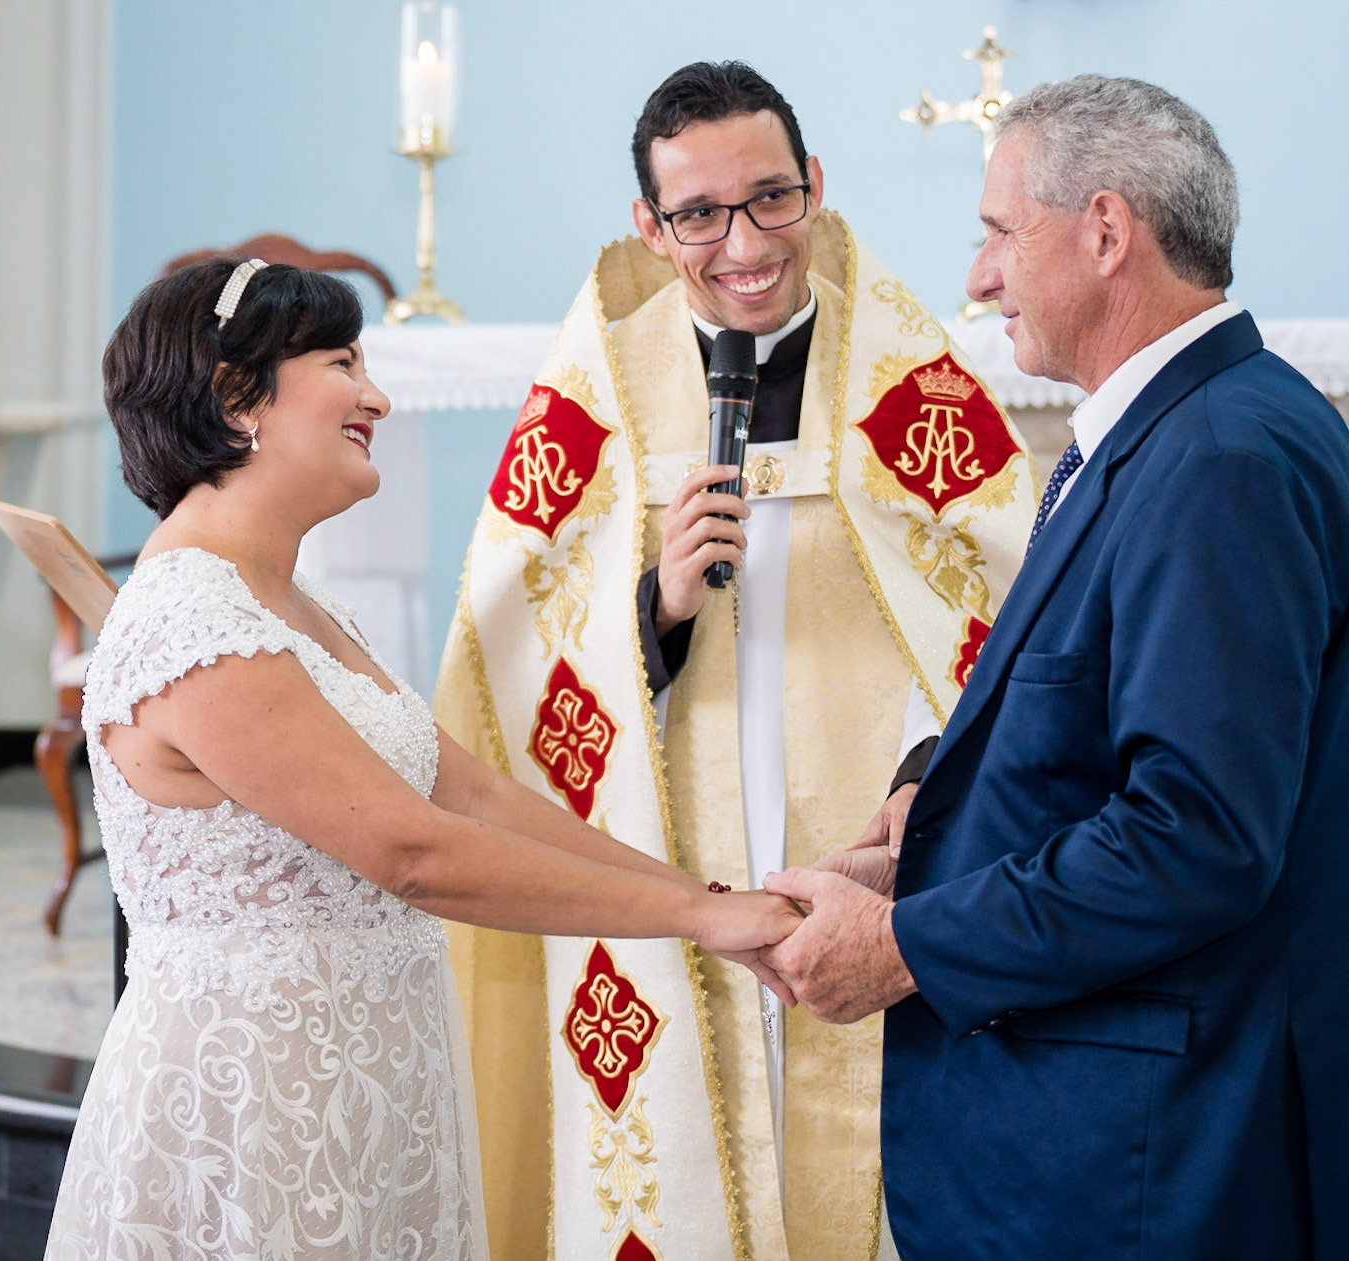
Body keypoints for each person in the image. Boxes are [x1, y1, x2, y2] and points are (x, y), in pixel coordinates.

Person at [760, 75, 1349, 1259]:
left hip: (1169, 1156)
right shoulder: (1185, 428)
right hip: (1145, 1130)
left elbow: (1194, 836)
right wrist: (940, 805)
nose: (976, 277)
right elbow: (1116, 706)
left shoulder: (1220, 456)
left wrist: (906, 945)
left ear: (1105, 231)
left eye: (995, 233)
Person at [41, 258, 802, 1261]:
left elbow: (471, 794)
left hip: (368, 1084)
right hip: (254, 1110)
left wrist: (702, 894)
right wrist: (702, 920)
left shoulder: (301, 607)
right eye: (342, 362)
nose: (378, 397)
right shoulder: (192, 618)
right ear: (237, 397)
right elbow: (413, 851)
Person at [433, 62, 1037, 1261]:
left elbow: (1015, 619)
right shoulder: (593, 397)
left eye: (769, 199)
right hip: (669, 856)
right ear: (650, 230)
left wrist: (926, 785)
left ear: (814, 185)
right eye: (699, 215)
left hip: (865, 842)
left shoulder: (910, 384)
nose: (744, 243)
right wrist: (646, 615)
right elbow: (504, 672)